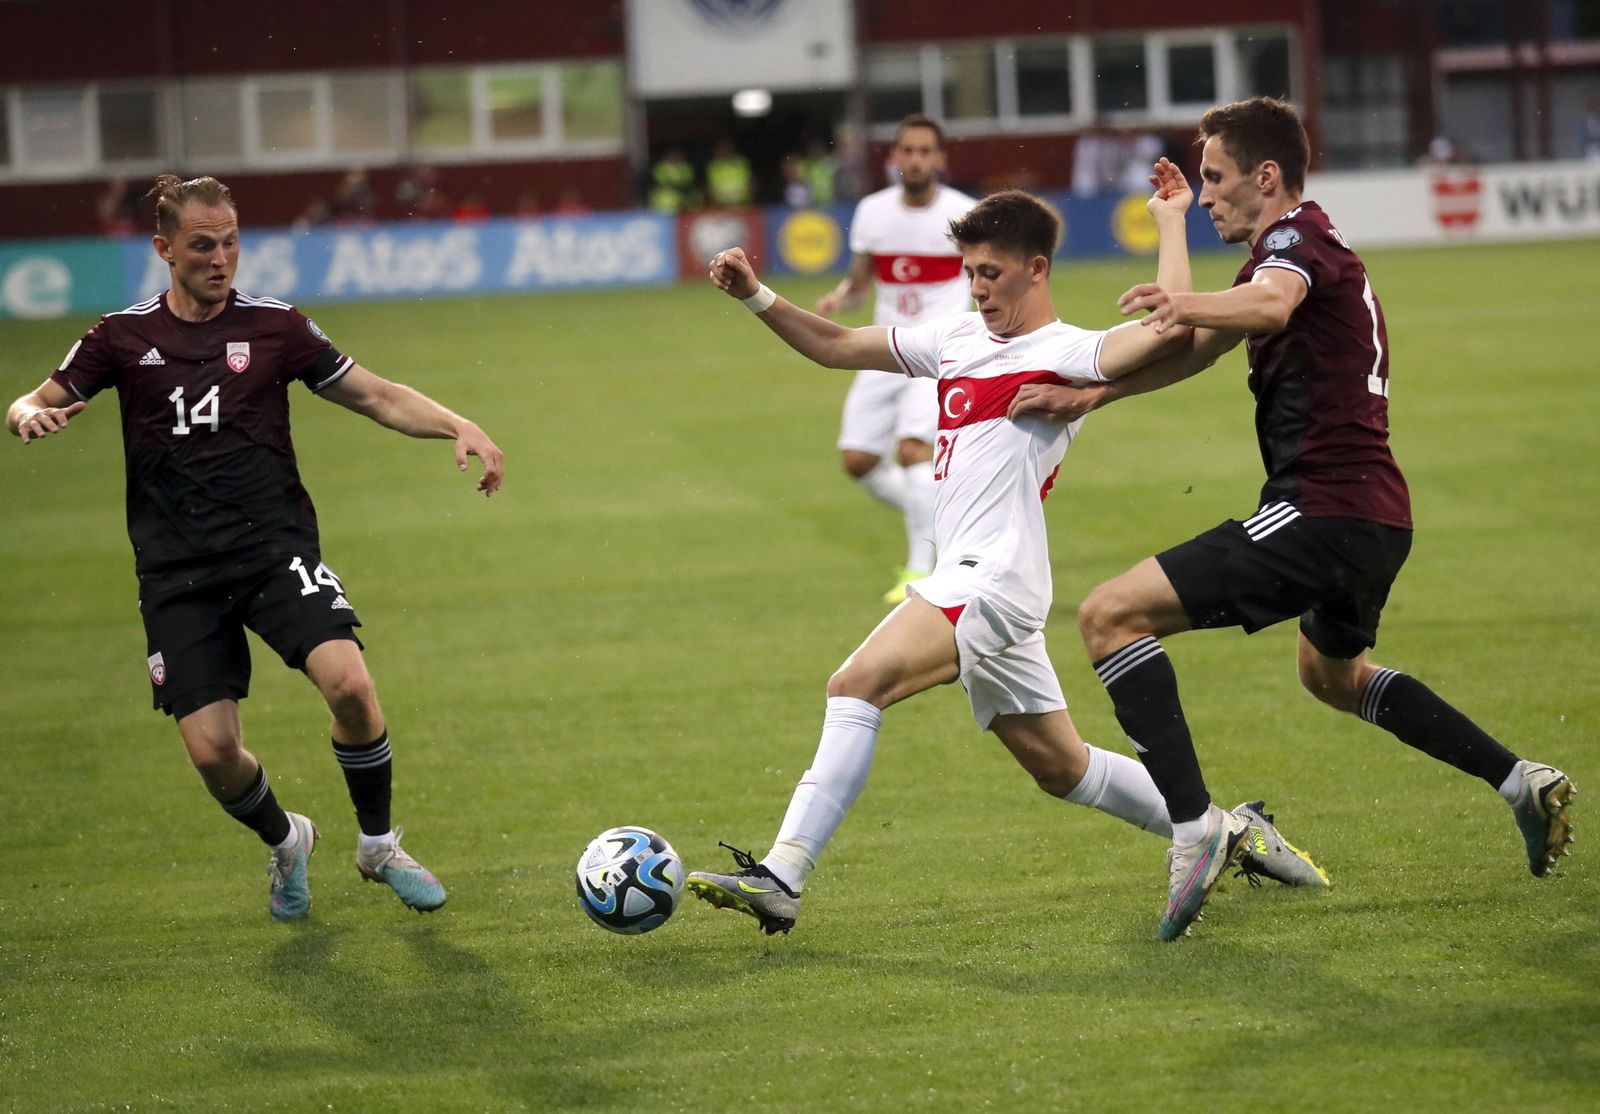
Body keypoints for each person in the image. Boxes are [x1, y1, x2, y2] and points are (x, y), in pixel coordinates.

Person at [687, 171, 1328, 939]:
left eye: (990, 273)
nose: (977, 289)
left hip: (994, 578)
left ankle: (782, 876)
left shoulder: (1069, 352)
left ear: (1036, 269)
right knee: (1063, 769)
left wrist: (1168, 223)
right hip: (979, 580)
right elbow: (834, 345)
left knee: (856, 683)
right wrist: (758, 295)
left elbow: (1171, 332)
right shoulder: (955, 338)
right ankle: (1226, 829)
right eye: (969, 273)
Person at [1010, 96, 1576, 941]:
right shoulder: (1286, 253)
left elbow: (1266, 307)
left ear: (1266, 177)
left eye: (1215, 177)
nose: (1205, 195)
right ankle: (1519, 780)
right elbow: (1192, 347)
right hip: (1375, 518)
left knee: (1108, 615)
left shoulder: (1295, 243)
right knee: (1331, 675)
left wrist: (1185, 302)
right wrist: (1097, 391)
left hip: (1322, 511)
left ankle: (1196, 825)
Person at [6, 174, 506, 922]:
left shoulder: (275, 328)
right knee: (213, 755)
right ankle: (287, 839)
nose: (221, 258)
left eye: (231, 242)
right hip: (177, 574)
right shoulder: (119, 337)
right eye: (203, 245)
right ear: (164, 249)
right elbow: (32, 399)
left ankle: (377, 845)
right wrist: (23, 418)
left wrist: (457, 423)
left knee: (351, 687)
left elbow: (373, 394)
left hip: (273, 550)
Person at [815, 115, 977, 604]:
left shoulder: (966, 216)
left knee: (913, 450)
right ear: (894, 158)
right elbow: (863, 280)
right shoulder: (873, 212)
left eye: (925, 151)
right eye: (907, 150)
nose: (916, 160)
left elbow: (992, 275)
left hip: (937, 351)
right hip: (882, 348)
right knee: (858, 460)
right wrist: (840, 298)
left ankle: (918, 571)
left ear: (941, 160)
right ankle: (946, 516)